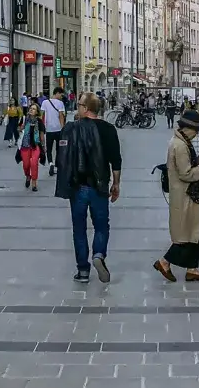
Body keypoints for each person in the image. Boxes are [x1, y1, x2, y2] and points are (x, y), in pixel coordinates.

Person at [55, 92, 121, 284]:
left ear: (85, 108)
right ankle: (99, 255)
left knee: (79, 228)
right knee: (101, 225)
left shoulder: (72, 129)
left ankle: (83, 271)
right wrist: (116, 183)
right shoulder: (109, 129)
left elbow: (62, 157)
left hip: (78, 187)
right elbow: (116, 160)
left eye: (79, 105)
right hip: (100, 186)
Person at [154, 111, 199, 282]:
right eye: (196, 130)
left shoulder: (181, 142)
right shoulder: (179, 146)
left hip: (187, 194)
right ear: (188, 129)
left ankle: (192, 269)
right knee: (186, 234)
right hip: (184, 195)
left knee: (193, 232)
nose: (197, 133)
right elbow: (185, 174)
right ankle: (164, 262)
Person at [41, 87, 67, 177]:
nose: (61, 97)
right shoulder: (60, 103)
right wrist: (63, 128)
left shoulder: (45, 102)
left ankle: (51, 163)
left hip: (48, 129)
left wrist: (42, 127)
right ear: (57, 93)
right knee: (59, 148)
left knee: (49, 148)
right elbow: (61, 116)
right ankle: (56, 165)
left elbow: (42, 115)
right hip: (58, 129)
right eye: (61, 95)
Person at [18, 103, 45, 191]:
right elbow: (19, 129)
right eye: (30, 108)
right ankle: (28, 176)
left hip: (35, 145)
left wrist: (43, 146)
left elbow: (41, 135)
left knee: (34, 163)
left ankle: (34, 183)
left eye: (33, 109)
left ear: (37, 112)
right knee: (26, 165)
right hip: (25, 145)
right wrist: (20, 128)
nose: (31, 110)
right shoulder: (25, 119)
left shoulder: (39, 121)